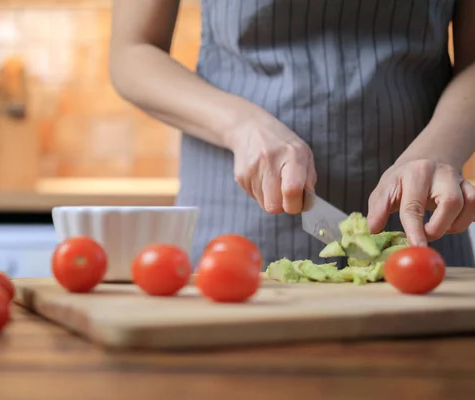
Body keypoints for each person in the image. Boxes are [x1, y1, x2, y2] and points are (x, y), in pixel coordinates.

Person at [109, 0, 475, 268]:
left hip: (422, 222)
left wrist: (436, 153)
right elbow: (132, 51)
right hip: (237, 221)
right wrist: (240, 124)